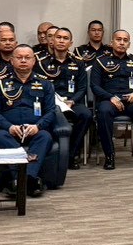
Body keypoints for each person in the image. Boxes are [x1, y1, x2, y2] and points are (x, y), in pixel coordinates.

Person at [0, 45, 58, 197]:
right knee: (0, 136)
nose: (23, 60)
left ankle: (21, 180)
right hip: (9, 131)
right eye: (19, 57)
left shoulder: (45, 84)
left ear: (34, 61)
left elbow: (51, 111)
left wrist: (38, 126)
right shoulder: (0, 84)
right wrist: (9, 127)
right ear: (12, 61)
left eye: (27, 57)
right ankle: (30, 181)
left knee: (45, 136)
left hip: (35, 129)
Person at [93, 29, 133, 169]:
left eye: (125, 40)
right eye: (118, 39)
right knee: (103, 112)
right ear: (112, 42)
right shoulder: (101, 61)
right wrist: (110, 97)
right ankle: (109, 156)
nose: (122, 43)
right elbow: (94, 86)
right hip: (109, 100)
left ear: (129, 44)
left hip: (130, 100)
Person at [38, 26, 93, 169]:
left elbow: (82, 88)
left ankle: (70, 155)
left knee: (86, 115)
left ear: (71, 43)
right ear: (52, 40)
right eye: (58, 37)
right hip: (50, 103)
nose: (61, 41)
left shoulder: (78, 62)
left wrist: (72, 101)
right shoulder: (41, 62)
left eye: (65, 38)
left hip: (71, 102)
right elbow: (38, 87)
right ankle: (51, 154)